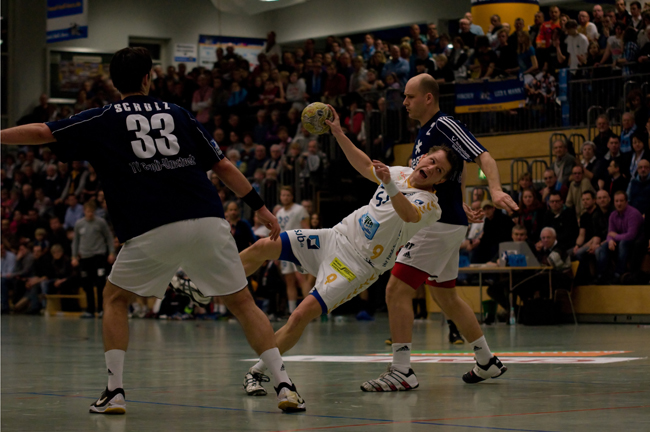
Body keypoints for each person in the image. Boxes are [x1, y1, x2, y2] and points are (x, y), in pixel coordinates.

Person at [0, 47, 305, 414]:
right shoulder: (179, 113)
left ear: (115, 82)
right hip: (208, 220)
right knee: (242, 303)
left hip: (152, 226)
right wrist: (261, 207)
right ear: (148, 78)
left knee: (115, 299)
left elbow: (41, 131)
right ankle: (284, 385)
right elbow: (223, 166)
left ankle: (114, 391)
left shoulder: (102, 118)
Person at [239, 103, 459, 396]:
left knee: (299, 316)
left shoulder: (430, 204)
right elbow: (365, 165)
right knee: (262, 246)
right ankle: (213, 284)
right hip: (334, 238)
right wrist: (339, 133)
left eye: (438, 170)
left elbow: (408, 215)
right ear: (423, 158)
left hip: (356, 267)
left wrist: (389, 186)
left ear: (440, 180)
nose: (430, 168)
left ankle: (257, 371)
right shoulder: (399, 172)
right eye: (431, 160)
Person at [362, 74, 517, 390]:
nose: (405, 102)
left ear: (428, 97)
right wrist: (461, 200)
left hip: (437, 224)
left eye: (410, 96)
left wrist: (495, 189)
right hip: (447, 221)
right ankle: (486, 360)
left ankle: (401, 371)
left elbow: (482, 156)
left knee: (396, 290)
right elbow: (459, 168)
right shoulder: (425, 132)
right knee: (446, 295)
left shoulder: (444, 124)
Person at [72, 200, 115, 318]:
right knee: (87, 284)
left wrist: (111, 252)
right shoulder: (79, 224)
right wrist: (74, 256)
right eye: (88, 211)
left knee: (100, 283)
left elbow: (109, 237)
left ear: (94, 212)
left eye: (92, 211)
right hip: (85, 257)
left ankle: (101, 309)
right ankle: (90, 309)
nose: (90, 213)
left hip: (98, 256)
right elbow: (75, 241)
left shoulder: (101, 223)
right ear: (84, 211)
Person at [275, 186, 310, 314]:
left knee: (301, 278)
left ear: (292, 197)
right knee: (289, 281)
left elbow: (307, 228)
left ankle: (309, 309)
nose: (285, 198)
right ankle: (292, 311)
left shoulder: (299, 210)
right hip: (284, 248)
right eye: (283, 195)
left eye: (288, 195)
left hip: (298, 247)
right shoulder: (279, 213)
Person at [595, 191, 644, 283]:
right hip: (620, 239)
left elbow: (631, 235)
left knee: (623, 243)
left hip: (635, 241)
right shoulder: (613, 215)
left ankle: (619, 273)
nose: (619, 203)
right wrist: (610, 240)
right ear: (613, 202)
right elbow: (610, 233)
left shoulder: (633, 214)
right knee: (602, 248)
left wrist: (615, 236)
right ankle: (601, 275)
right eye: (616, 201)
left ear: (626, 202)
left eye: (621, 201)